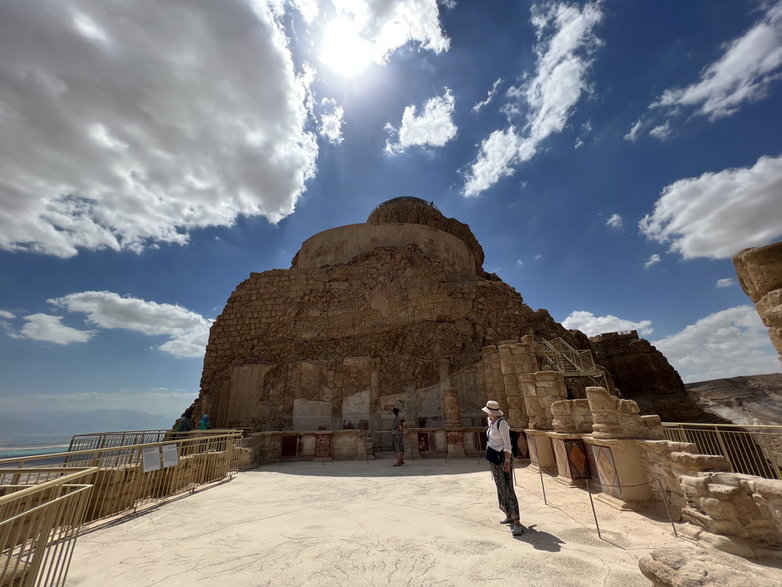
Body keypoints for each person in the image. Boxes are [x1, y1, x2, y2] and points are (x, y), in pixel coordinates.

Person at [482, 400, 524, 537]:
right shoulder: (491, 422)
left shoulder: (502, 424)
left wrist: (507, 461)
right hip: (493, 458)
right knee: (500, 486)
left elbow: (508, 445)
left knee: (508, 487)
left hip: (503, 459)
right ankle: (508, 514)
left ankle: (517, 521)